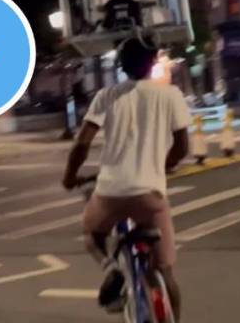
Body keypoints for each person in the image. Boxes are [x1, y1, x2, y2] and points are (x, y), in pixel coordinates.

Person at [62, 36, 189, 320]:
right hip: (150, 196)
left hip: (110, 192)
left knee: (92, 234)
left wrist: (70, 177)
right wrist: (162, 165)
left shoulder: (106, 96)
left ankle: (111, 268)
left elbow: (81, 145)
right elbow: (182, 147)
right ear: (154, 61)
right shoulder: (170, 95)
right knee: (165, 271)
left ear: (121, 65)